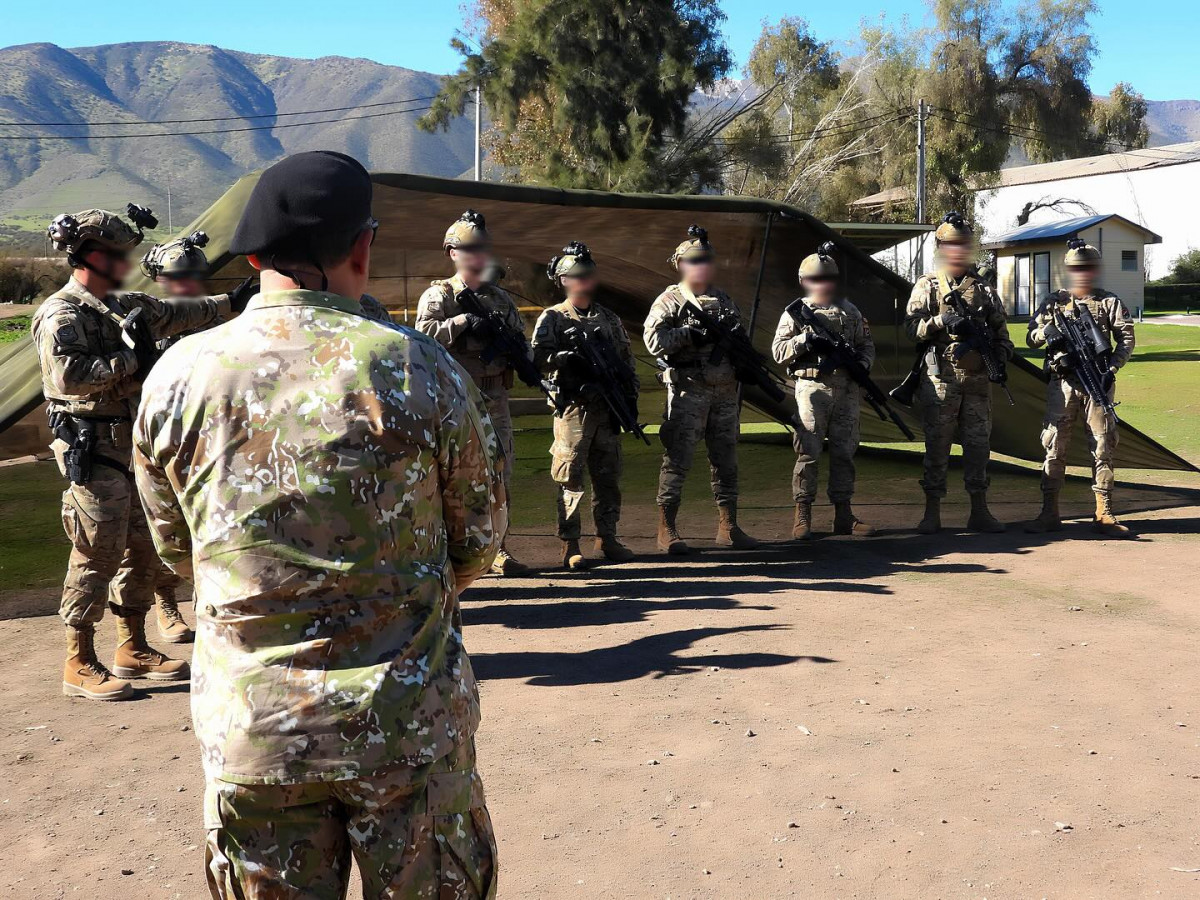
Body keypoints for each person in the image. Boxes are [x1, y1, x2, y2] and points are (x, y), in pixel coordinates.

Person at [133, 151, 503, 900]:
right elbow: (478, 540)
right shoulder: (418, 370)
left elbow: (178, 550)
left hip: (255, 732)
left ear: (254, 253)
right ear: (360, 247)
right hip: (405, 729)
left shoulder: (178, 375)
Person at [32, 205, 249, 701]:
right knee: (94, 552)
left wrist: (232, 302)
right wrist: (135, 357)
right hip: (96, 448)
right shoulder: (61, 314)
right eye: (118, 254)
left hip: (134, 448)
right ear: (89, 255)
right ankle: (78, 660)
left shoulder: (122, 303)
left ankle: (132, 646)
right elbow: (68, 377)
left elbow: (177, 313)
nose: (127, 263)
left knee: (143, 549)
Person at [416, 210, 529, 576]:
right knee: (454, 476)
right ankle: (449, 552)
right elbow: (424, 336)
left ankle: (498, 549)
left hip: (495, 398)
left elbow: (522, 344)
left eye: (482, 248)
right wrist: (464, 321)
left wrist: (520, 355)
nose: (478, 256)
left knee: (501, 472)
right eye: (470, 249)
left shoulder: (500, 298)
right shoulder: (440, 295)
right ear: (452, 252)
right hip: (457, 401)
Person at [132, 231, 225, 644]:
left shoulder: (217, 321)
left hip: (209, 438)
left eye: (194, 275)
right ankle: (166, 603)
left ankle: (209, 597)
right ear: (160, 279)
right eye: (177, 277)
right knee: (161, 527)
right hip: (162, 441)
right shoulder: (146, 322)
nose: (187, 283)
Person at [643, 225, 758, 554]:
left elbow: (741, 340)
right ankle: (667, 529)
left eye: (707, 259)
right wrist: (689, 334)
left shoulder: (723, 299)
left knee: (726, 460)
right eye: (695, 260)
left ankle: (729, 527)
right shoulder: (670, 300)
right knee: (677, 460)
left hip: (724, 391)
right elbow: (654, 342)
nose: (702, 265)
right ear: (681, 264)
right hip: (689, 391)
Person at [904, 212, 1014, 535]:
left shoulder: (985, 291)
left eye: (963, 244)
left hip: (978, 385)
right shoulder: (927, 287)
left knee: (978, 448)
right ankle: (931, 513)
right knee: (937, 447)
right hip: (941, 384)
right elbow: (911, 329)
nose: (957, 251)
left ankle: (979, 511)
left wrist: (993, 358)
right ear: (940, 246)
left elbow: (1004, 340)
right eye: (951, 244)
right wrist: (940, 322)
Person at [531, 241, 638, 570]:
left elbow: (626, 362)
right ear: (563, 280)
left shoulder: (608, 318)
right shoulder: (553, 318)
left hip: (607, 408)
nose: (585, 282)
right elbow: (536, 362)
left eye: (589, 276)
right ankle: (570, 543)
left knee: (608, 476)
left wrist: (629, 401)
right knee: (570, 476)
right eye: (577, 276)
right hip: (574, 408)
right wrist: (561, 360)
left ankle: (608, 537)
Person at [1026, 239, 1136, 537]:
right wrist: (1048, 333)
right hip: (1062, 384)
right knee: (1054, 445)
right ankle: (1049, 513)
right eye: (1077, 268)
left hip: (1097, 382)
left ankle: (1104, 512)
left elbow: (1126, 339)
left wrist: (1112, 367)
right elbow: (1031, 337)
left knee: (1103, 446)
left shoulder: (1108, 302)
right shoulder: (1052, 301)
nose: (1082, 273)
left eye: (1088, 268)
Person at [772, 243, 876, 539]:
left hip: (846, 389)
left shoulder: (850, 311)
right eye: (817, 279)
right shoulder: (795, 313)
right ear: (804, 281)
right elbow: (778, 352)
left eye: (828, 279)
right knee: (809, 451)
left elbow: (866, 346)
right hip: (811, 389)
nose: (823, 284)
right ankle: (802, 514)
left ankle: (843, 514)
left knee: (845, 452)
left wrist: (862, 365)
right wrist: (805, 340)